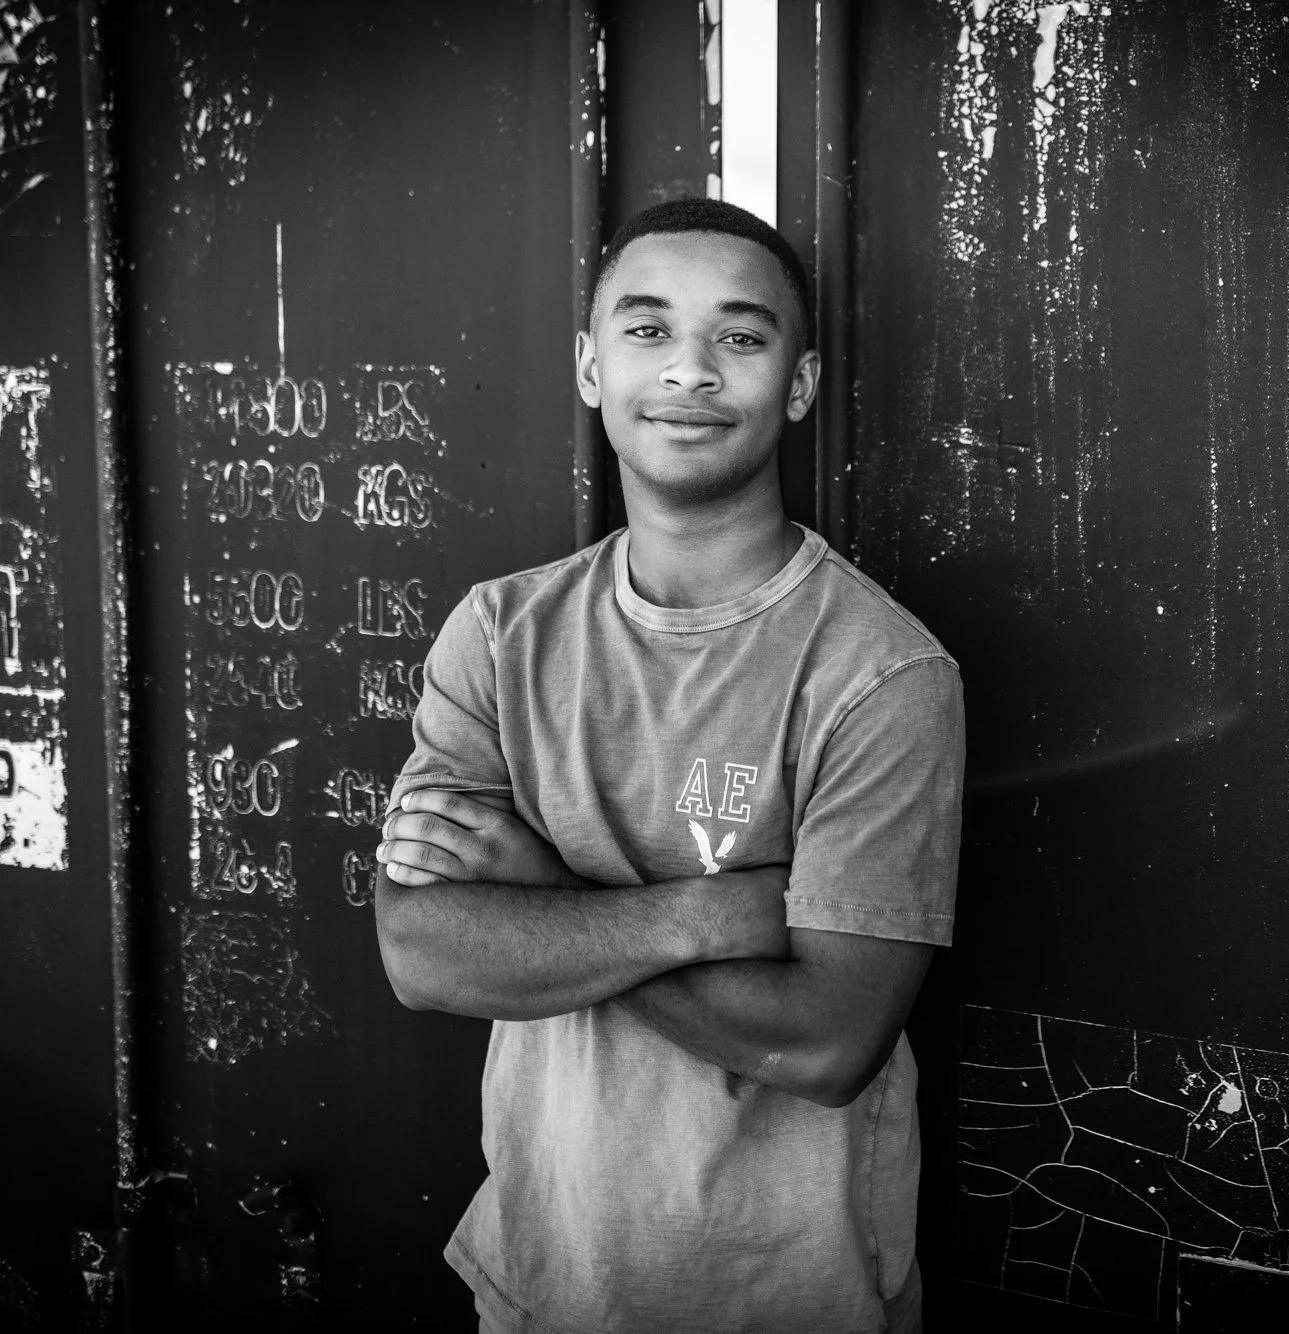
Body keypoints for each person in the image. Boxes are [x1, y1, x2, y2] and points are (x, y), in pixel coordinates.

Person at [372, 197, 964, 1333]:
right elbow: (421, 947)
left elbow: (827, 1039)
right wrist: (702, 916)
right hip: (541, 1280)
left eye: (738, 337)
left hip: (792, 1297)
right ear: (592, 368)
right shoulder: (501, 633)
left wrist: (545, 894)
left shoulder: (880, 674)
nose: (688, 369)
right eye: (646, 331)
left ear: (795, 384)